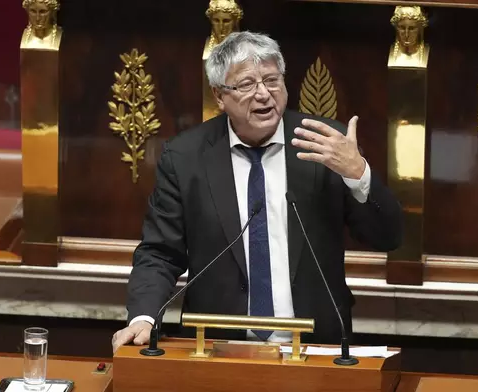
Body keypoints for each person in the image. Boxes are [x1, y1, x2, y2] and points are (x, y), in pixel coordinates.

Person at [112, 31, 404, 353]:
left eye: (272, 80)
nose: (264, 94)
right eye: (247, 85)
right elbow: (160, 253)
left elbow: (387, 238)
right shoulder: (186, 157)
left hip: (315, 347)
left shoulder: (326, 146)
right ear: (219, 96)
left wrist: (359, 174)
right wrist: (143, 316)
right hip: (215, 348)